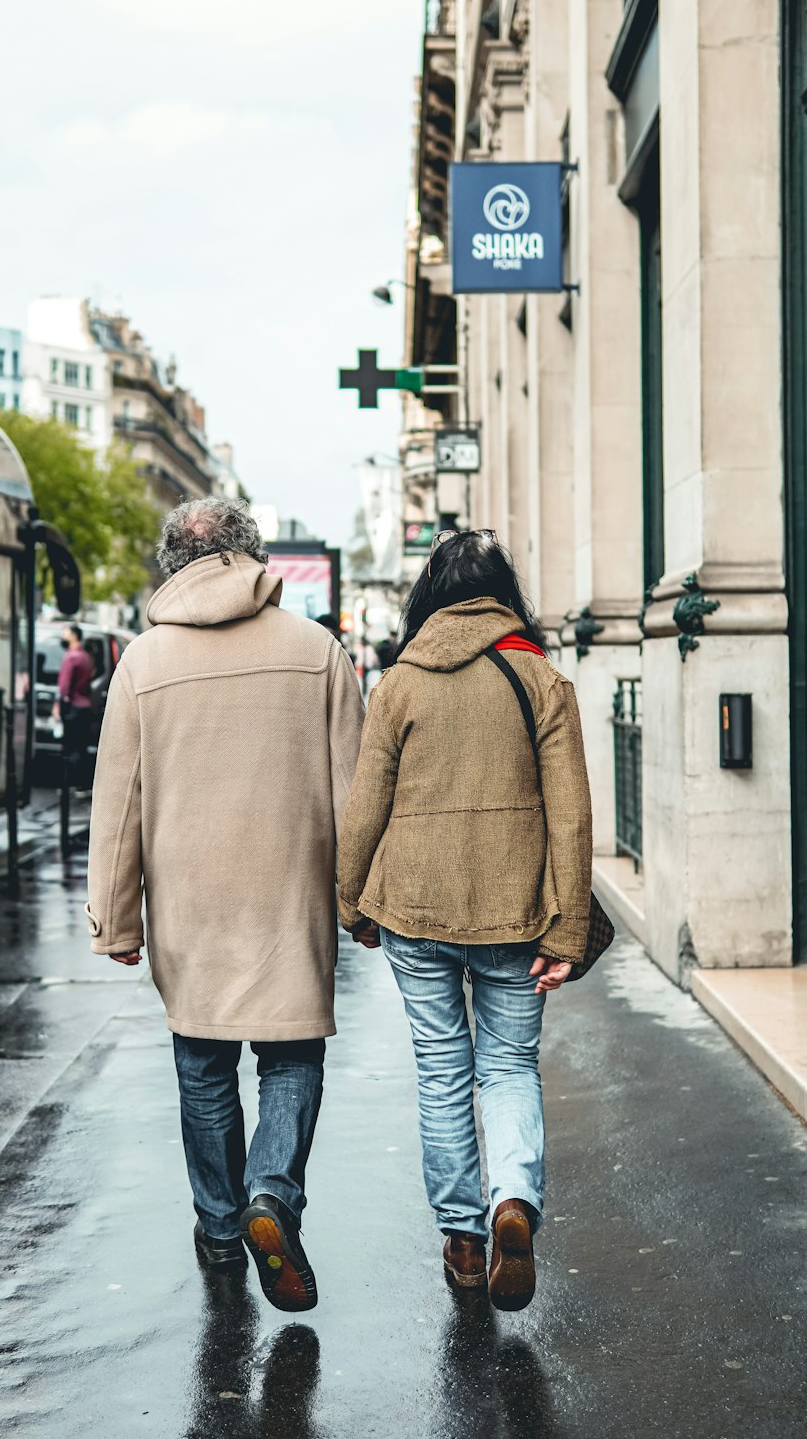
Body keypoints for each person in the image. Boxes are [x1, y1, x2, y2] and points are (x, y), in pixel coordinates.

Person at [86, 498, 367, 1312]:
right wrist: (359, 905)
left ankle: (218, 1227)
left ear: (173, 563)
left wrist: (117, 919)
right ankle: (271, 1197)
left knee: (204, 1067)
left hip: (189, 903)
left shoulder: (141, 662)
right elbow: (356, 793)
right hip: (289, 894)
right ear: (251, 555)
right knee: (290, 1056)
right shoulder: (317, 651)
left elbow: (119, 802)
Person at [337, 528, 593, 1311]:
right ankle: (511, 1197)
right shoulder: (540, 679)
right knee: (509, 1066)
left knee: (443, 1071)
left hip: (416, 910)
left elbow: (363, 810)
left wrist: (352, 905)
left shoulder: (399, 685)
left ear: (428, 598)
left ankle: (462, 1238)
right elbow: (573, 817)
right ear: (503, 594)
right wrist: (568, 932)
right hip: (517, 912)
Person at [53, 624, 94, 789]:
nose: (63, 637)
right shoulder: (85, 657)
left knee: (71, 747)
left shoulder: (71, 657)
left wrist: (57, 706)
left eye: (66, 634)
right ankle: (82, 784)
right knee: (82, 747)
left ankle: (71, 784)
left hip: (73, 707)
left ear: (75, 636)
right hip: (85, 706)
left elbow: (64, 687)